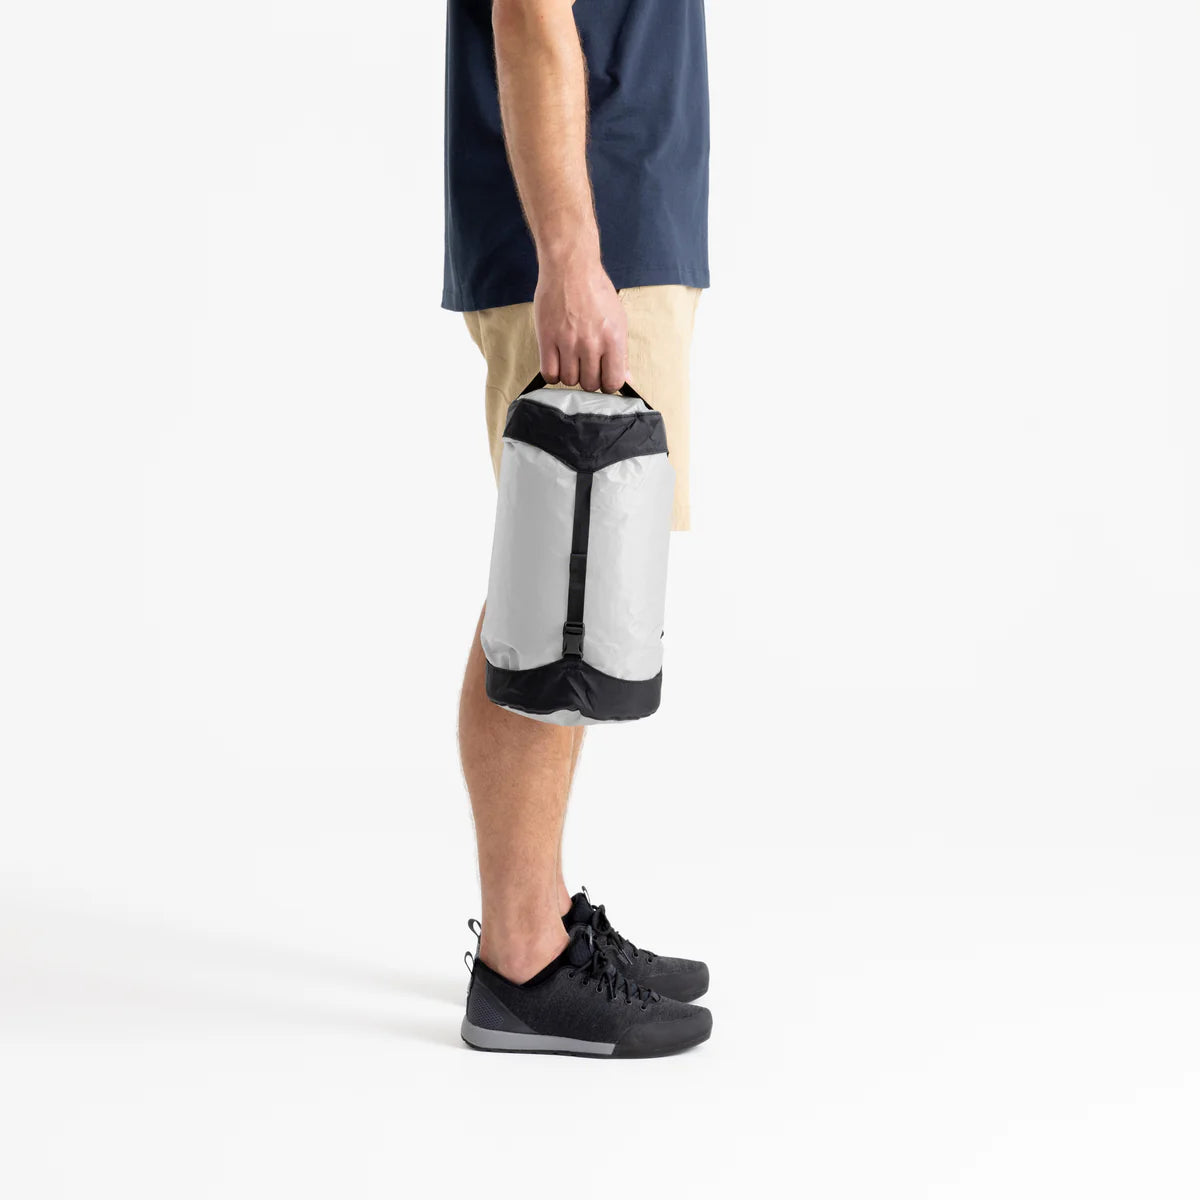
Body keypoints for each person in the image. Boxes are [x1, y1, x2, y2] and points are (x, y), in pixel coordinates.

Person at [445, 0, 712, 1057]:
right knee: (555, 592)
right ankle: (523, 959)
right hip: (588, 235)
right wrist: (569, 253)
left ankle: (543, 916)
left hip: (621, 222)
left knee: (571, 588)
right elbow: (527, 14)